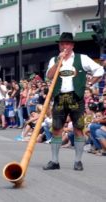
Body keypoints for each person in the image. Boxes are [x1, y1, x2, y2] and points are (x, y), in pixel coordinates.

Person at [43, 32, 104, 171]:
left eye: (67, 43)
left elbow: (99, 70)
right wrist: (59, 61)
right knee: (57, 129)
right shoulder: (54, 60)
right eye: (62, 44)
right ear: (59, 45)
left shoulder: (82, 58)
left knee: (78, 128)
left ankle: (78, 161)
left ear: (72, 45)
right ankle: (54, 161)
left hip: (76, 97)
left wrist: (89, 84)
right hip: (59, 97)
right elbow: (49, 76)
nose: (65, 46)